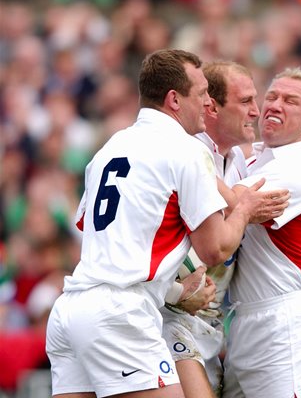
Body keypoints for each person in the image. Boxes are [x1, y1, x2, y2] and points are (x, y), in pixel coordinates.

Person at [44, 49, 287, 398]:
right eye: (201, 93)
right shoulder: (185, 150)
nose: (207, 103)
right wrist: (245, 209)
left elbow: (101, 234)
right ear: (174, 99)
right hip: (121, 313)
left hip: (71, 309)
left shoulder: (110, 147)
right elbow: (215, 248)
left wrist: (172, 290)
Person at [222, 67, 301, 398]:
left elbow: (229, 204)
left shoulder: (298, 167)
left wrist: (186, 159)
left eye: (290, 100)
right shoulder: (255, 157)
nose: (275, 105)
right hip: (245, 320)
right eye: (271, 96)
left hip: (283, 325)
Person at [161, 60, 261, 398]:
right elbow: (215, 245)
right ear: (212, 107)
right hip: (169, 318)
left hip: (211, 325)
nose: (256, 112)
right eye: (246, 101)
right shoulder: (189, 153)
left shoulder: (238, 163)